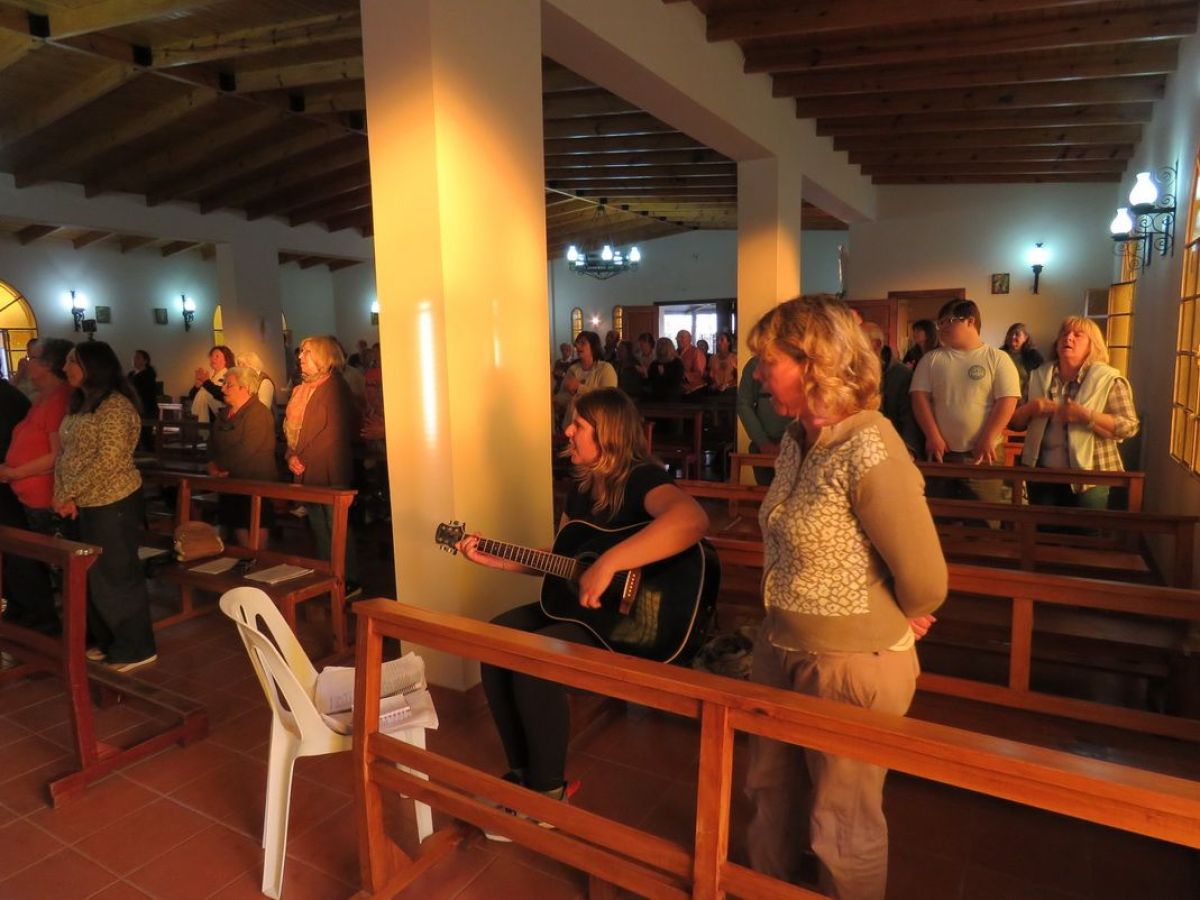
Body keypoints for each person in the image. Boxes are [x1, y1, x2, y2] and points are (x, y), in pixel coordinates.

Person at [743, 296, 946, 899]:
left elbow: (927, 582)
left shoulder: (870, 445)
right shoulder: (796, 438)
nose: (756, 374)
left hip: (851, 668)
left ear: (814, 364)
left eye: (767, 361)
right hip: (780, 646)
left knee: (842, 822)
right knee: (770, 793)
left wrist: (895, 614)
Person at [456, 388, 708, 824]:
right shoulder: (581, 490)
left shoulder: (641, 479)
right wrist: (495, 557)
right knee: (495, 640)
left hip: (629, 622)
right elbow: (562, 562)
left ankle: (549, 795)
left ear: (607, 435)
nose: (567, 431)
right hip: (579, 609)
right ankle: (526, 774)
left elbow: (692, 520)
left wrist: (610, 562)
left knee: (535, 662)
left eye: (579, 425)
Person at [54, 341, 156, 671]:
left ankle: (136, 648)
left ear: (93, 366)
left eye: (73, 362)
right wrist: (63, 494)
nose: (66, 367)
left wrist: (70, 493)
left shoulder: (116, 406)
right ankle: (107, 640)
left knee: (116, 575)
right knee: (92, 576)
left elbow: (109, 462)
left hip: (113, 501)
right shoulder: (82, 404)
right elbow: (66, 456)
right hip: (83, 501)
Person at [1009, 316, 1139, 510]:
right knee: (1044, 534)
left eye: (1078, 335)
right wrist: (1032, 408)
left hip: (1090, 474)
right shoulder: (1039, 375)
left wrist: (1086, 415)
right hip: (1042, 472)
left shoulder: (1108, 379)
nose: (1068, 338)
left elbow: (1129, 427)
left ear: (1092, 346)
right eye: (1064, 333)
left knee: (1085, 534)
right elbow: (1015, 424)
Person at [910, 299, 1020, 503]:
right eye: (939, 323)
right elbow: (919, 398)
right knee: (940, 517)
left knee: (984, 521)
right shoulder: (931, 359)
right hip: (942, 453)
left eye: (948, 321)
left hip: (983, 454)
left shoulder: (997, 358)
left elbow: (1007, 401)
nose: (941, 327)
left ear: (970, 321)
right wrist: (933, 436)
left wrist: (988, 437)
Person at [0, 338, 73, 633]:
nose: (26, 363)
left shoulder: (59, 398)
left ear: (49, 365)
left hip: (43, 494)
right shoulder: (40, 397)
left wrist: (14, 472)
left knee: (36, 560)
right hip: (23, 491)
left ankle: (45, 620)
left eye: (31, 358)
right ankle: (24, 609)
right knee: (23, 557)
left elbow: (56, 454)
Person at [284, 335, 361, 595]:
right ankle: (329, 574)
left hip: (329, 468)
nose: (300, 357)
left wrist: (301, 460)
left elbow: (333, 433)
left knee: (337, 525)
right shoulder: (301, 388)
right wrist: (290, 455)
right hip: (307, 468)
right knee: (318, 524)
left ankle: (349, 578)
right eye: (301, 352)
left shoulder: (335, 387)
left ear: (323, 357)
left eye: (306, 352)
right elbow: (293, 431)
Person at [208, 367, 279, 548]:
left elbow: (246, 449)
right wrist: (212, 464)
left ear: (245, 388)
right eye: (224, 384)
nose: (223, 389)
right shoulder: (224, 414)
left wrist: (221, 466)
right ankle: (247, 559)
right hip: (230, 479)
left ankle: (256, 560)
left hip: (255, 481)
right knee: (237, 522)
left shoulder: (258, 413)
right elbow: (212, 441)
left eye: (229, 385)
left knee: (255, 524)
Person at [736, 355, 792, 484]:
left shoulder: (804, 359)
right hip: (763, 443)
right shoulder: (755, 363)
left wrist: (792, 442)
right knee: (766, 494)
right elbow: (744, 403)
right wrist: (762, 442)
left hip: (799, 444)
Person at [559, 330, 617, 430]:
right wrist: (554, 399)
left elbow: (609, 399)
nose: (577, 346)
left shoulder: (605, 369)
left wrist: (579, 388)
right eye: (577, 343)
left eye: (582, 343)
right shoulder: (572, 369)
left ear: (593, 346)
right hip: (571, 425)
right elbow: (563, 396)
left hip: (596, 425)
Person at [188, 345, 234, 423]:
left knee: (204, 394)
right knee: (202, 394)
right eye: (211, 356)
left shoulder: (229, 375)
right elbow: (192, 397)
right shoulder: (208, 374)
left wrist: (206, 382)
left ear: (226, 359)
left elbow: (222, 394)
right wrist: (196, 386)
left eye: (217, 356)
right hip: (206, 413)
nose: (213, 359)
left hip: (219, 414)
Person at [1003, 322, 1045, 402]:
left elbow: (1041, 380)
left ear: (1025, 337)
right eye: (1010, 334)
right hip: (1003, 399)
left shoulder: (1033, 356)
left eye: (1017, 334)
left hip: (1025, 401)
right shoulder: (1000, 354)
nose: (1013, 337)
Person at [235, 350, 277, 415]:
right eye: (238, 365)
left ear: (252, 364)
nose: (239, 369)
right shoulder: (248, 380)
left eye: (243, 365)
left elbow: (264, 408)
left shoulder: (265, 382)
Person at [646, 337, 684, 402]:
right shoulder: (655, 363)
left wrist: (663, 374)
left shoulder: (677, 362)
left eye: (661, 345)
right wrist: (645, 375)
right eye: (658, 345)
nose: (659, 348)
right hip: (656, 396)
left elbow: (676, 382)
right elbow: (651, 381)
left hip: (671, 397)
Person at [676, 330, 707, 396]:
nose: (678, 339)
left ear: (690, 339)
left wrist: (684, 375)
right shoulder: (675, 353)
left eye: (681, 337)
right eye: (677, 337)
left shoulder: (696, 352)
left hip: (694, 391)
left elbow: (699, 374)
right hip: (678, 389)